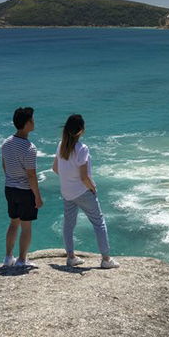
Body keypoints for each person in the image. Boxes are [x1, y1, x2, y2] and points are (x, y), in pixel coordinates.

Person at [53, 114, 118, 269]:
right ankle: (106, 260)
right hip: (82, 192)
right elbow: (84, 176)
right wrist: (92, 187)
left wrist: (68, 179)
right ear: (81, 130)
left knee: (68, 224)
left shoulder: (61, 145)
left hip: (67, 192)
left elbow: (55, 168)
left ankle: (70, 257)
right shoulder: (82, 149)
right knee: (99, 223)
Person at [1, 107, 43, 269]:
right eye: (32, 120)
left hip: (9, 188)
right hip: (25, 191)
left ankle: (7, 257)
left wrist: (12, 179)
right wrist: (37, 197)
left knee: (13, 223)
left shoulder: (6, 143)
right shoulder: (29, 148)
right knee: (26, 226)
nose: (34, 122)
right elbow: (31, 175)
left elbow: (4, 166)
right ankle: (22, 259)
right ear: (26, 124)